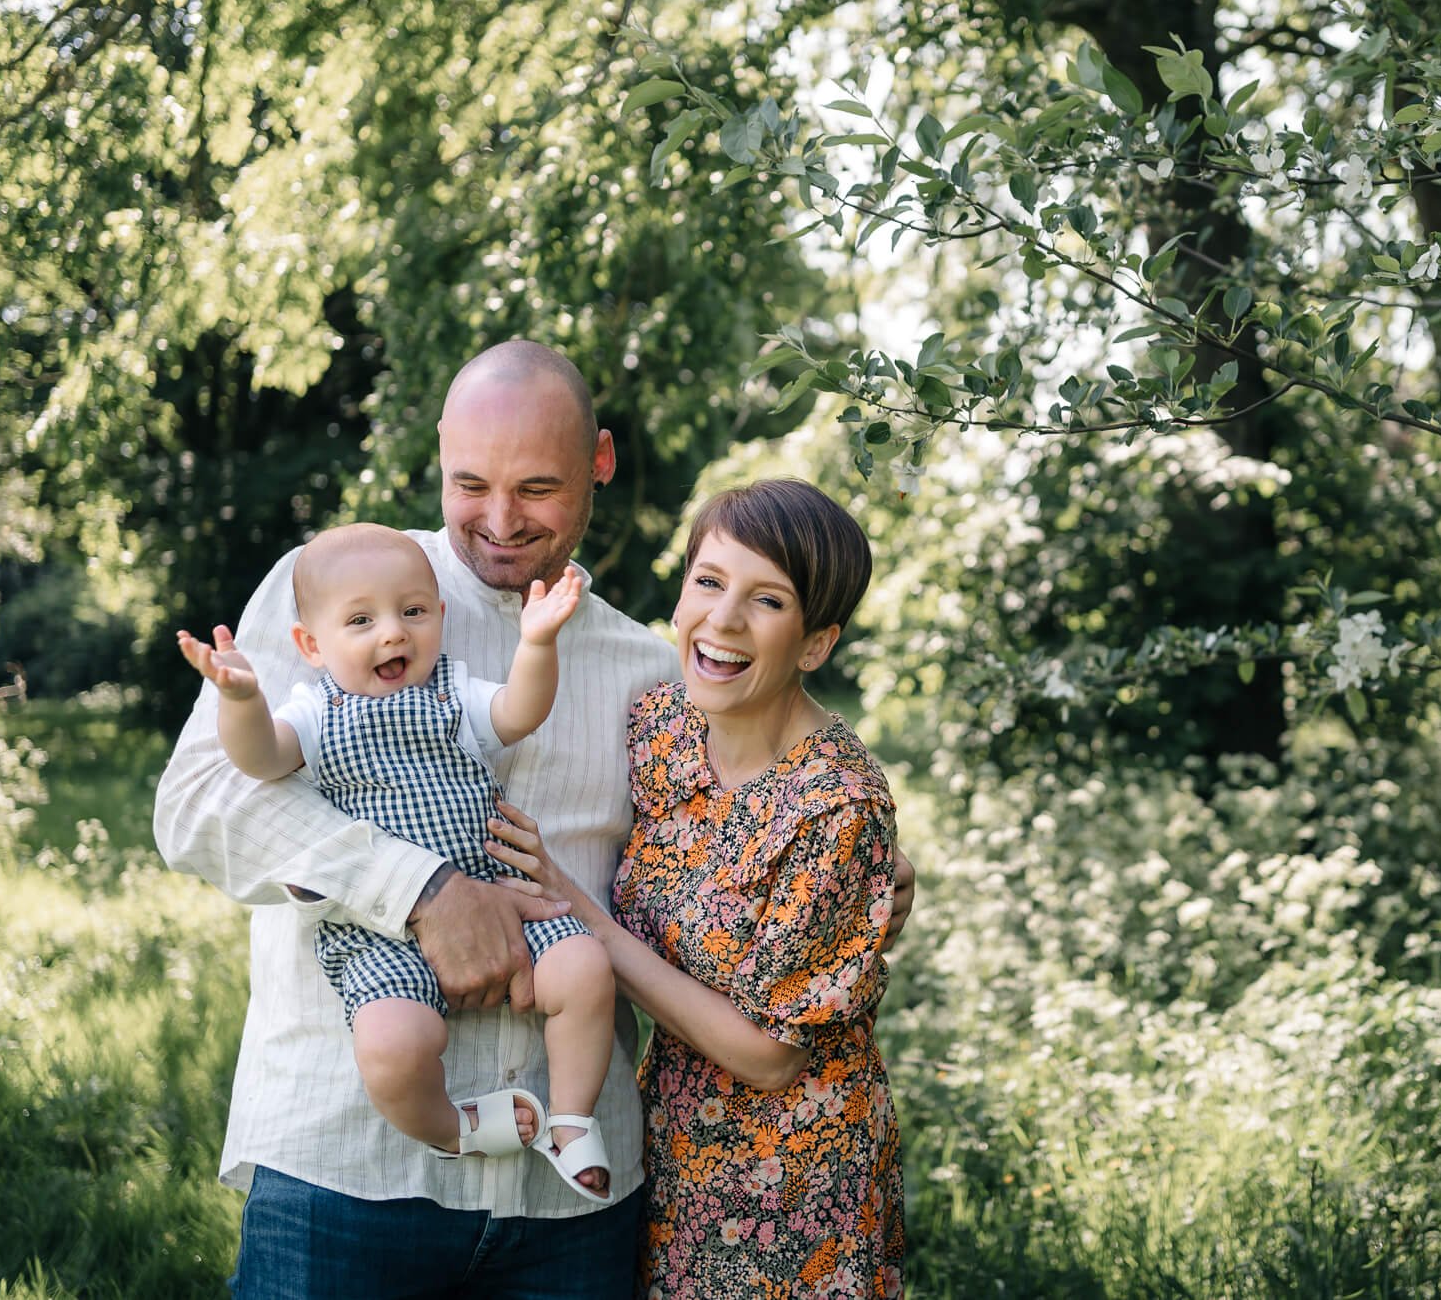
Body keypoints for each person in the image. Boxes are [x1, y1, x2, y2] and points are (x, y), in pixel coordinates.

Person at [154, 340, 916, 1299]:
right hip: (350, 1165)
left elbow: (760, 812)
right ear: (438, 452)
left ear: (600, 462)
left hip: (577, 1212)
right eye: (470, 483)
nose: (500, 520)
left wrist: (871, 870)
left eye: (539, 488)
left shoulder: (649, 673)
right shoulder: (338, 591)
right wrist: (420, 891)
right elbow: (198, 806)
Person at [487, 478, 904, 1299]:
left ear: (816, 642)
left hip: (798, 1185)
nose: (722, 619)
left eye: (768, 600)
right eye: (708, 582)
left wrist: (590, 923)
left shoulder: (837, 805)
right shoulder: (663, 729)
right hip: (671, 1156)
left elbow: (770, 1054)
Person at [174, 522, 616, 1198]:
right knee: (391, 1046)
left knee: (585, 971)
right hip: (377, 930)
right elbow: (260, 757)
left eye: (412, 612)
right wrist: (240, 700)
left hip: (498, 893)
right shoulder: (317, 714)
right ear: (311, 646)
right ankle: (452, 1127)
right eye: (361, 620)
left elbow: (518, 711)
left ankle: (571, 1118)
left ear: (438, 616)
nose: (393, 633)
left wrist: (537, 641)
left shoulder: (451, 691)